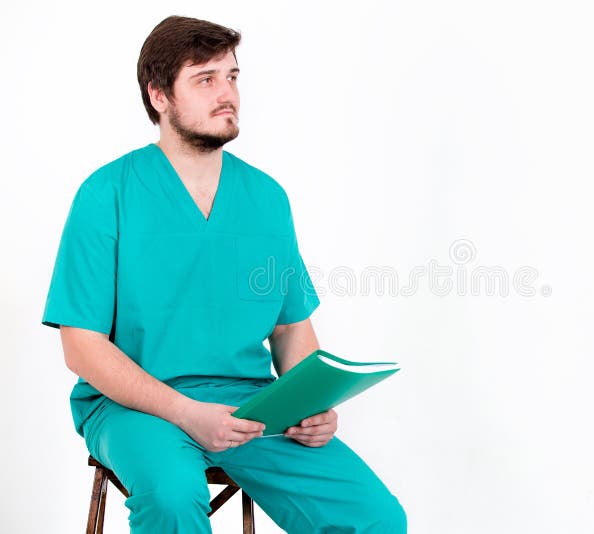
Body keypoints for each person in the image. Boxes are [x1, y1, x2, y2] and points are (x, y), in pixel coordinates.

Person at [41, 15, 406, 533]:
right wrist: (186, 412)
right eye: (205, 79)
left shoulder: (266, 198)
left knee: (375, 516)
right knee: (172, 496)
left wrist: (311, 405)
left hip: (251, 407)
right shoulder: (107, 195)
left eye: (232, 76)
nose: (226, 93)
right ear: (159, 96)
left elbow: (290, 328)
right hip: (134, 407)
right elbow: (82, 347)